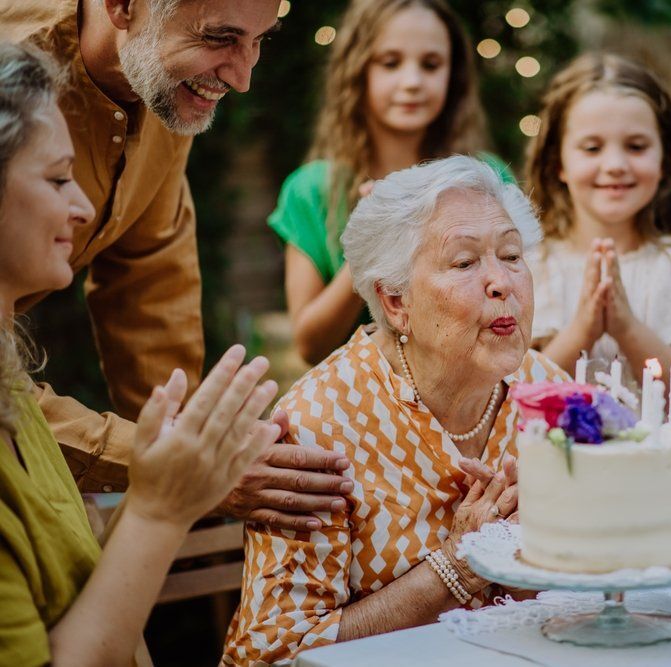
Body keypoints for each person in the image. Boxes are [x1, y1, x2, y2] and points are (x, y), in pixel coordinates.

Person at [0, 1, 351, 531]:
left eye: (260, 41)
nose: (243, 78)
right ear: (121, 5)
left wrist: (198, 446)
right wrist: (182, 467)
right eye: (220, 38)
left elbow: (150, 291)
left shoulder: (162, 83)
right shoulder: (12, 72)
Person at [0, 41, 280, 666]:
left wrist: (165, 476)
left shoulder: (11, 387)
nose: (82, 208)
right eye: (55, 178)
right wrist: (160, 509)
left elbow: (93, 596)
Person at [224, 156, 567, 664]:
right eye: (465, 262)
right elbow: (276, 652)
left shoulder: (548, 391)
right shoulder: (320, 424)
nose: (502, 282)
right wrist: (456, 567)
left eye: (512, 255)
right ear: (395, 302)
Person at [275, 0, 514, 365]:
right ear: (357, 71)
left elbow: (516, 307)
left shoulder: (486, 179)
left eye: (431, 65)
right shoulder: (311, 189)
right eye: (390, 63)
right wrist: (371, 246)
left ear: (454, 77)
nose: (412, 81)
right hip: (354, 406)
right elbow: (310, 346)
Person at [524, 53, 671, 432]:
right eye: (592, 148)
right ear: (558, 162)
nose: (615, 164)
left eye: (636, 146)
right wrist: (583, 330)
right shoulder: (530, 267)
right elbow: (512, 401)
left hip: (663, 487)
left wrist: (628, 329)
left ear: (665, 159)